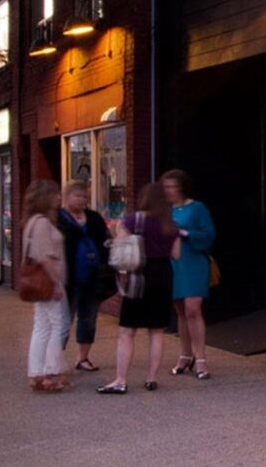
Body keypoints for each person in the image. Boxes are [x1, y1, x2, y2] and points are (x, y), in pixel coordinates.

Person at [97, 184, 179, 394]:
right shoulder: (170, 224)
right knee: (157, 330)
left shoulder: (134, 220)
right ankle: (151, 379)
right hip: (163, 276)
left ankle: (121, 379)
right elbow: (176, 254)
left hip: (139, 277)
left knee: (127, 331)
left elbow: (120, 245)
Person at [162, 169, 216, 380]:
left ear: (182, 187)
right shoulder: (165, 210)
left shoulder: (197, 208)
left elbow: (209, 234)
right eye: (166, 187)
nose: (168, 190)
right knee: (180, 310)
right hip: (173, 262)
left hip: (193, 261)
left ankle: (201, 359)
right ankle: (185, 355)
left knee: (193, 308)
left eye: (172, 186)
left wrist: (186, 233)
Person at [23, 179, 69, 393]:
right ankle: (51, 372)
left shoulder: (31, 222)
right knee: (57, 325)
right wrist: (56, 283)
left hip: (40, 281)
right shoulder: (42, 223)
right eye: (56, 194)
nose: (59, 197)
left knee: (41, 326)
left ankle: (36, 372)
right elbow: (46, 257)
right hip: (49, 280)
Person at [57, 180, 109, 372]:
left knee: (88, 318)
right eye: (77, 196)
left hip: (92, 277)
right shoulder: (58, 219)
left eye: (84, 197)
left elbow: (105, 241)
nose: (81, 200)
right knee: (63, 320)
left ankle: (83, 357)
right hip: (67, 278)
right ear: (66, 197)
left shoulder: (93, 218)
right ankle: (54, 359)